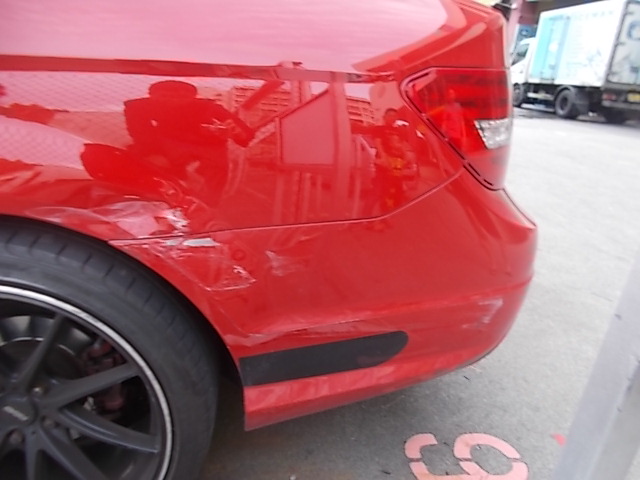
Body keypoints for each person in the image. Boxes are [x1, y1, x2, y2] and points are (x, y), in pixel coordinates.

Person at [124, 80, 254, 205]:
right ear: (151, 95)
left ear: (193, 97)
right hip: (167, 148)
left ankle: (208, 206)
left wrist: (236, 132)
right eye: (165, 96)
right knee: (150, 172)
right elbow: (140, 132)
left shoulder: (207, 107)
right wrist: (153, 153)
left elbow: (244, 132)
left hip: (207, 146)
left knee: (212, 184)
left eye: (180, 96)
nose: (172, 100)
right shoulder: (139, 107)